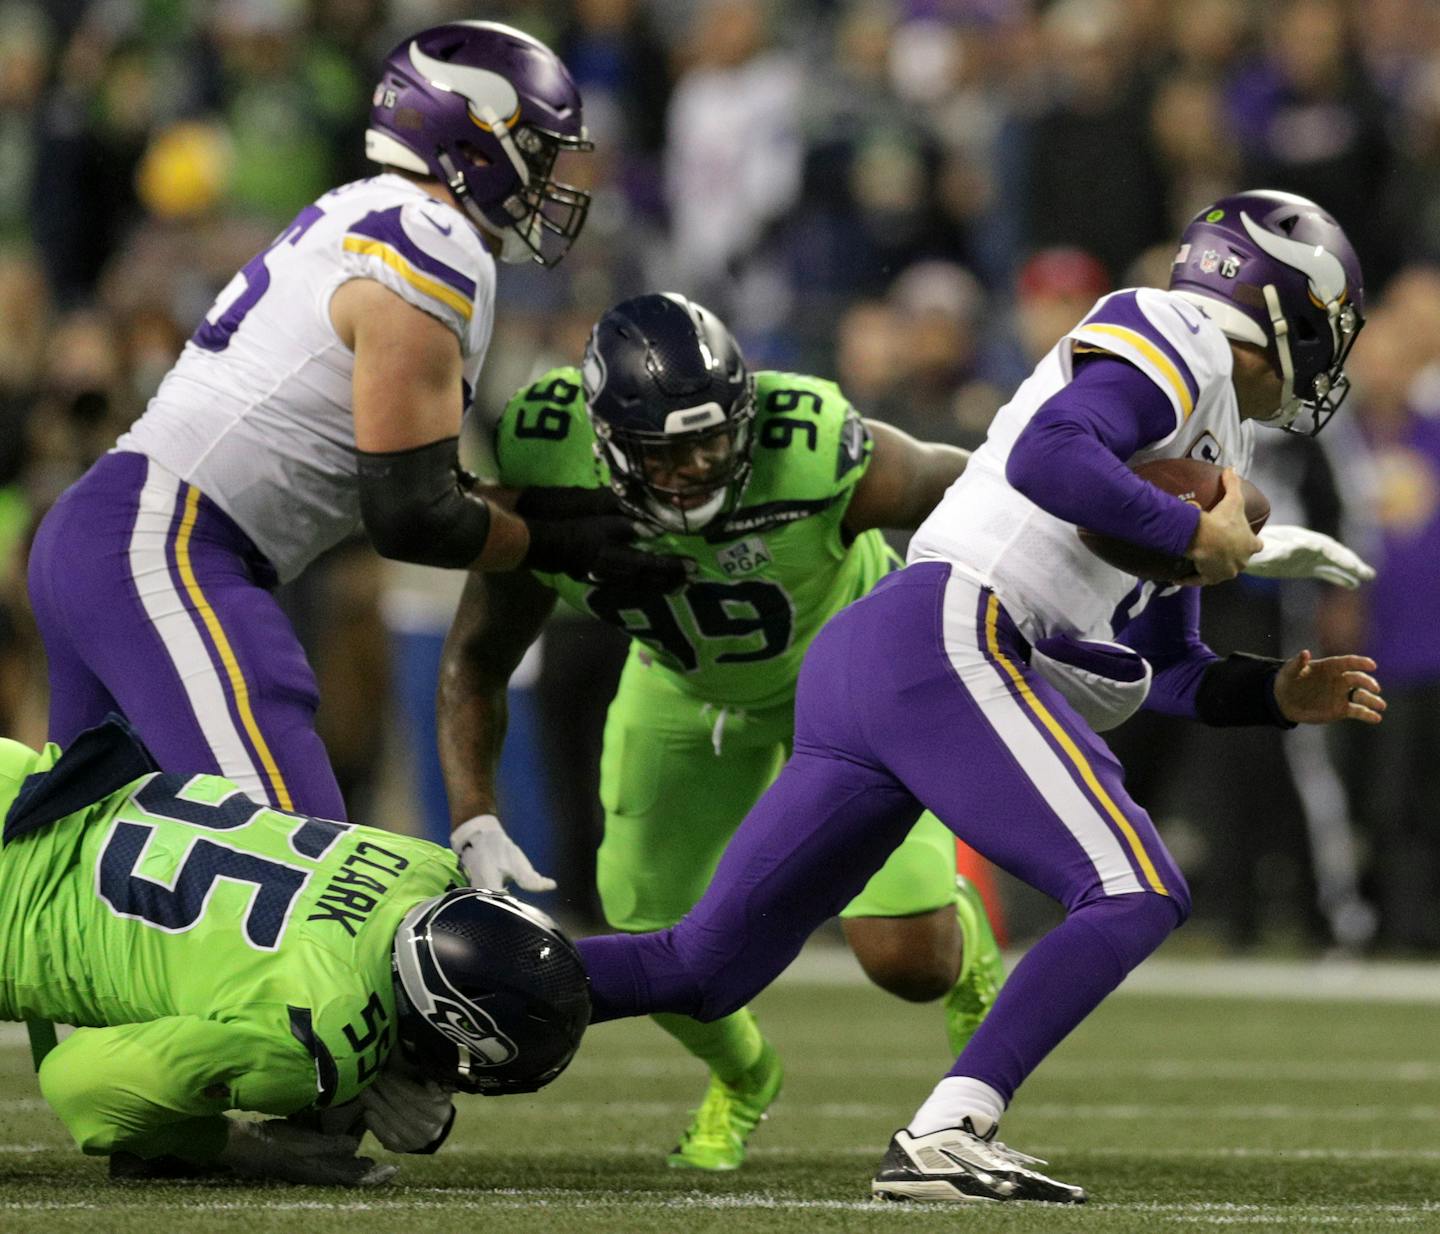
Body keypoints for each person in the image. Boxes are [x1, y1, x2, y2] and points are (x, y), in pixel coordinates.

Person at [567, 191, 1386, 1203]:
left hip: (885, 651)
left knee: (703, 966)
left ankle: (449, 1001)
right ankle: (949, 1132)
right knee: (1136, 885)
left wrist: (1272, 696)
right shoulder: (1173, 332)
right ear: (1288, 311)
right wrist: (1189, 536)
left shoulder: (1216, 437)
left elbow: (1165, 669)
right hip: (946, 629)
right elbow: (1052, 454)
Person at [24, 19, 680, 825]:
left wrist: (553, 515)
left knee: (88, 893)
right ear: (473, 142)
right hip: (167, 546)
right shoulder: (434, 239)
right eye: (538, 151)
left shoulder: (370, 212)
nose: (552, 175)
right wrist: (559, 539)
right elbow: (413, 513)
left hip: (115, 536)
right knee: (300, 873)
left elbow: (417, 481)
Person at [437, 292, 1002, 1171]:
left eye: (716, 439)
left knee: (908, 963)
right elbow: (475, 660)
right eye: (669, 450)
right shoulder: (547, 456)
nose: (700, 466)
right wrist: (475, 813)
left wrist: (1142, 516)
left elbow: (983, 487)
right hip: (683, 687)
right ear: (607, 442)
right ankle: (744, 1077)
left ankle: (964, 947)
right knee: (645, 926)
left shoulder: (811, 444)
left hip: (851, 677)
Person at [0, 716, 590, 1184]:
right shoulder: (324, 1033)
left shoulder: (427, 865)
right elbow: (83, 1087)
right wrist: (244, 1150)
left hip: (26, 780)